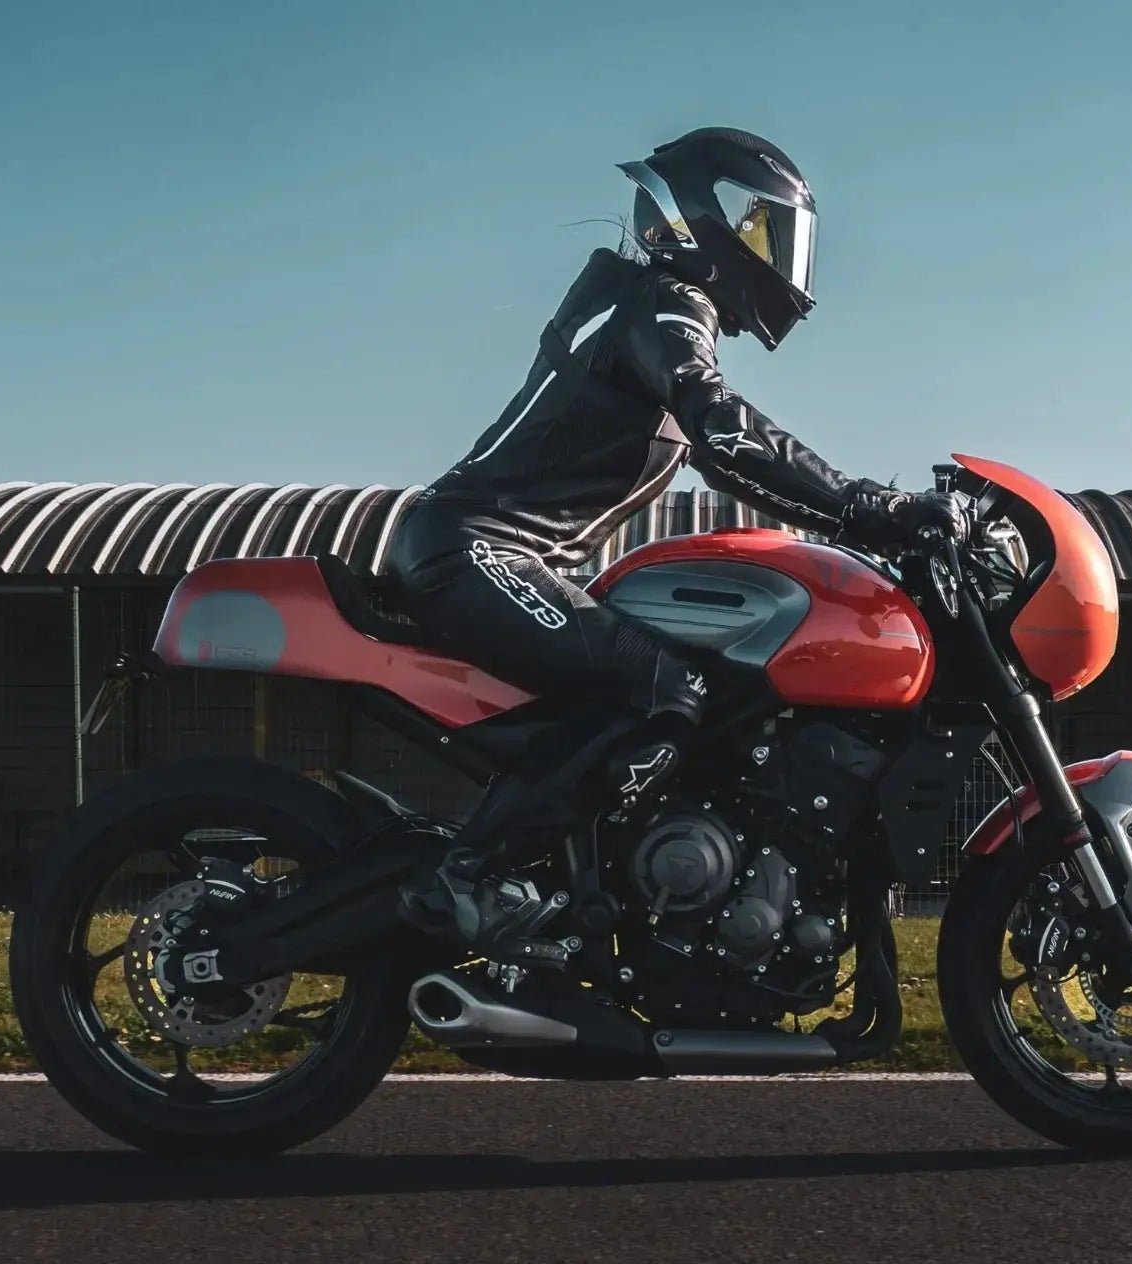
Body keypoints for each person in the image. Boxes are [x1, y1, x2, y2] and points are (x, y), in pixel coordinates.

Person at [386, 126, 963, 962]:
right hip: (475, 550)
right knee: (668, 686)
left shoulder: (640, 307)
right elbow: (726, 431)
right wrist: (876, 504)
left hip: (486, 551)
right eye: (765, 230)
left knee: (666, 686)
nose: (776, 257)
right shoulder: (663, 303)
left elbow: (732, 468)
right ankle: (466, 876)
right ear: (706, 222)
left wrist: (852, 521)